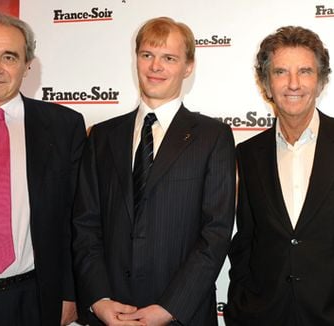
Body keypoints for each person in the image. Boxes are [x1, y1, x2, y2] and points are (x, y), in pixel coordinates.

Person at [224, 26, 334, 326]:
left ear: (321, 81)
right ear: (265, 83)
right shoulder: (248, 154)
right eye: (280, 72)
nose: (293, 84)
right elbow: (247, 241)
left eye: (305, 71)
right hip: (267, 315)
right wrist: (241, 303)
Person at [72, 17, 236, 326]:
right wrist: (99, 300)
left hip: (180, 315)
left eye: (169, 58)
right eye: (147, 55)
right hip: (110, 315)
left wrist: (169, 308)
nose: (155, 66)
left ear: (188, 67)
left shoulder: (213, 137)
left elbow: (215, 233)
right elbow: (85, 225)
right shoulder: (103, 136)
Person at [0, 12, 85, 326]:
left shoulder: (65, 127)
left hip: (35, 298)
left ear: (27, 66)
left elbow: (76, 220)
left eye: (9, 57)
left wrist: (70, 292)